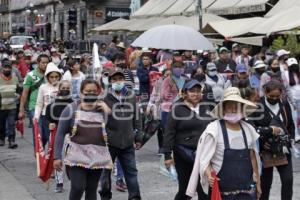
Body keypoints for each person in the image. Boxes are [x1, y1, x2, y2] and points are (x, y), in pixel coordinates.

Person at [187, 87, 261, 200]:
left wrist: (258, 183)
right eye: (229, 107)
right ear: (223, 109)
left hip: (247, 191)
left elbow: (252, 157)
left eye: (236, 107)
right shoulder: (213, 129)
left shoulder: (248, 129)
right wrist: (208, 173)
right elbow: (204, 159)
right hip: (222, 192)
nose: (233, 110)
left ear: (242, 109)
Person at [53, 79, 113, 200]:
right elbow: (60, 133)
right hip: (76, 157)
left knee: (92, 189)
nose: (91, 94)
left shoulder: (103, 109)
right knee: (78, 187)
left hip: (97, 157)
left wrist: (109, 112)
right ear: (81, 92)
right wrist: (57, 157)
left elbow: (114, 129)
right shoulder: (71, 109)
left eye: (94, 91)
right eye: (87, 91)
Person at [164, 79, 212, 200]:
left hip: (203, 154)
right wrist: (167, 156)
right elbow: (169, 132)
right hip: (183, 154)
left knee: (204, 189)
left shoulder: (207, 106)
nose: (195, 94)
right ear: (185, 93)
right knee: (185, 190)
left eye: (198, 91)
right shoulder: (177, 108)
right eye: (192, 91)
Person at [99, 69, 143, 200]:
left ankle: (134, 197)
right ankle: (105, 197)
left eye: (120, 79)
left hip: (128, 141)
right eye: (114, 79)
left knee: (131, 173)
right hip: (109, 143)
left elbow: (137, 117)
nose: (118, 82)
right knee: (105, 174)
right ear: (110, 81)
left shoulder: (130, 95)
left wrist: (138, 137)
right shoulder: (104, 98)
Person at [250, 80, 294, 200]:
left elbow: (290, 124)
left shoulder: (284, 103)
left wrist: (291, 139)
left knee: (288, 180)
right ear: (265, 92)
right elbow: (251, 128)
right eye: (271, 96)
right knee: (265, 183)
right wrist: (267, 133)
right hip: (265, 150)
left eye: (277, 96)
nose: (274, 98)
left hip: (283, 149)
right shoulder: (257, 105)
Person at [46, 80, 73, 193]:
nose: (65, 90)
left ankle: (74, 180)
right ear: (59, 89)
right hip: (57, 134)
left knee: (71, 160)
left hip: (71, 135)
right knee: (57, 157)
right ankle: (59, 182)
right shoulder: (52, 105)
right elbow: (47, 119)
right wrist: (49, 124)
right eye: (63, 88)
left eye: (67, 88)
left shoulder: (74, 104)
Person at [18, 54, 50, 145]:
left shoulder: (51, 75)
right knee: (38, 132)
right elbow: (24, 93)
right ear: (38, 63)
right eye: (43, 63)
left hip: (47, 108)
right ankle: (38, 155)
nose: (45, 65)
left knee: (46, 134)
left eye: (47, 63)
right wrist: (21, 110)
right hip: (34, 107)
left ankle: (41, 149)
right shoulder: (31, 75)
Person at [34, 62, 62, 147]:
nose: (54, 79)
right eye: (51, 77)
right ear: (47, 77)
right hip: (46, 117)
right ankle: (42, 156)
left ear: (60, 77)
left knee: (58, 139)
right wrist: (36, 116)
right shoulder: (43, 87)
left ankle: (55, 158)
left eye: (56, 77)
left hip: (60, 117)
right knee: (46, 137)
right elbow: (39, 103)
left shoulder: (62, 86)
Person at [146, 69, 171, 154]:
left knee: (169, 129)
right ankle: (161, 147)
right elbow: (153, 95)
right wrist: (149, 105)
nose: (168, 76)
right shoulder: (158, 83)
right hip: (160, 108)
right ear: (163, 75)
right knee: (160, 128)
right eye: (167, 74)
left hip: (171, 109)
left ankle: (168, 147)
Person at [0, 60, 21, 148]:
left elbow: (19, 90)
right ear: (2, 68)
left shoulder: (15, 78)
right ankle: (1, 139)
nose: (7, 69)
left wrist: (17, 97)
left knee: (11, 124)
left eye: (9, 68)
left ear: (11, 69)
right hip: (1, 106)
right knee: (1, 124)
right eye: (5, 68)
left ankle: (11, 141)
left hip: (12, 106)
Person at [160, 61, 187, 129]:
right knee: (167, 130)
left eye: (180, 67)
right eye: (176, 67)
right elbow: (163, 95)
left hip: (180, 108)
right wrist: (170, 88)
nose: (178, 69)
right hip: (168, 109)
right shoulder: (167, 80)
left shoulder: (183, 79)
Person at [286, 58, 300, 142]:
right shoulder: (286, 75)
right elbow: (287, 89)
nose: (294, 67)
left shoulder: (299, 74)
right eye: (292, 66)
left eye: (295, 65)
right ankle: (296, 135)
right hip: (292, 100)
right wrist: (292, 101)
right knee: (294, 118)